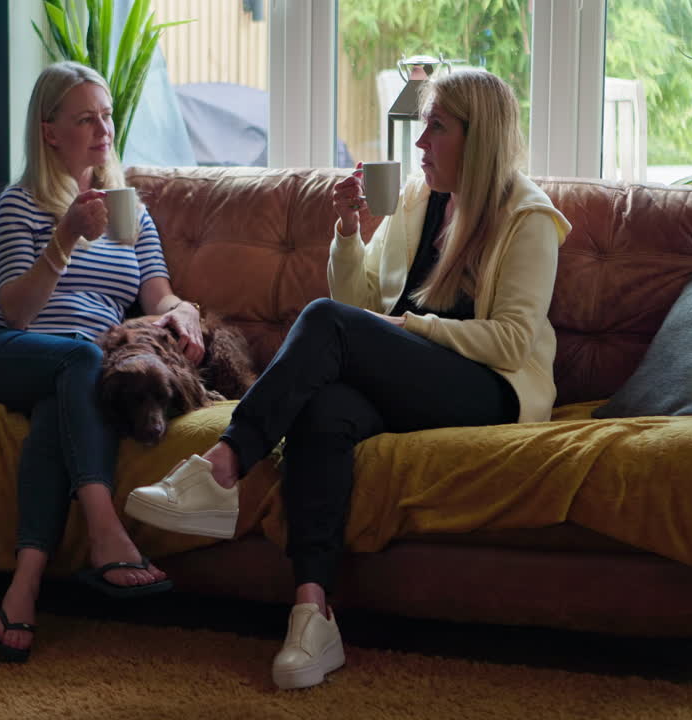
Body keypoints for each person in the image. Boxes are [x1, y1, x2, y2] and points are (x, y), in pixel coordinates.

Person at [125, 69, 572, 689]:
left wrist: (408, 328)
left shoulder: (529, 219)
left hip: (488, 388)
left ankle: (224, 467)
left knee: (325, 323)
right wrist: (347, 234)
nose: (420, 145)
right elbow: (360, 297)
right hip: (413, 382)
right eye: (421, 128)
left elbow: (511, 340)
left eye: (436, 128)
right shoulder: (420, 199)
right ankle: (313, 613)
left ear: (480, 136)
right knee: (323, 407)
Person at [0, 60, 205, 663]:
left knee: (62, 407)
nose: (103, 130)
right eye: (85, 119)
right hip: (7, 352)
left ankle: (21, 595)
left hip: (78, 370)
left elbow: (156, 293)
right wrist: (64, 237)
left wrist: (185, 311)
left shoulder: (131, 210)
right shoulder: (20, 204)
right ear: (50, 132)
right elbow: (15, 311)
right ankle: (104, 532)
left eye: (107, 117)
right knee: (78, 360)